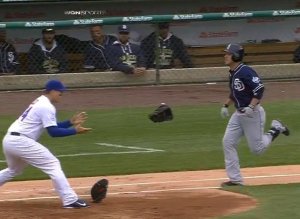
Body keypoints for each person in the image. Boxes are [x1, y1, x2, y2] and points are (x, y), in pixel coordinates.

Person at [0, 79, 91, 208]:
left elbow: (50, 125)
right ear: (53, 91)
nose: (62, 94)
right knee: (52, 164)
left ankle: (69, 199)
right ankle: (70, 200)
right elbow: (53, 132)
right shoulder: (46, 106)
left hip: (10, 140)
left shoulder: (40, 101)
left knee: (13, 170)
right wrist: (74, 131)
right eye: (60, 91)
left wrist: (69, 122)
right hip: (21, 141)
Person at [220, 43, 290, 186]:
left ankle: (276, 128)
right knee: (228, 142)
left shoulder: (246, 71)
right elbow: (236, 91)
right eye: (225, 53)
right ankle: (236, 179)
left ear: (236, 56)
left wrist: (251, 107)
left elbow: (259, 89)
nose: (225, 55)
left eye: (228, 53)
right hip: (239, 114)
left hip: (252, 114)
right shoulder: (232, 72)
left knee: (257, 150)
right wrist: (226, 105)